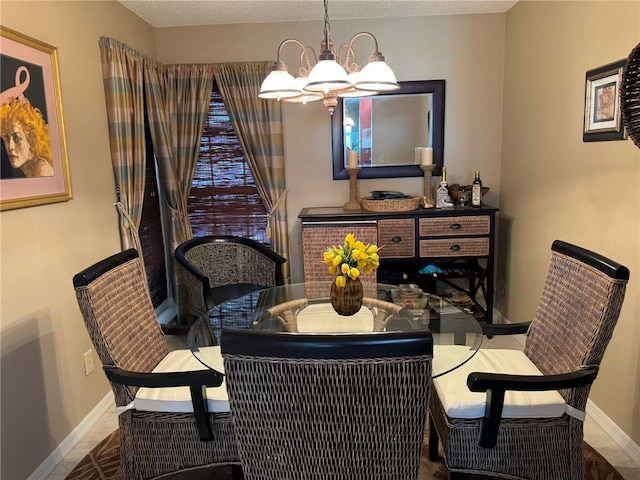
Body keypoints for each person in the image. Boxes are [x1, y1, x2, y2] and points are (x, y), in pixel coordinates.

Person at [0, 97, 54, 177]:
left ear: (31, 140)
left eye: (17, 138)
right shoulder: (32, 170)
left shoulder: (43, 170)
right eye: (7, 138)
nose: (10, 147)